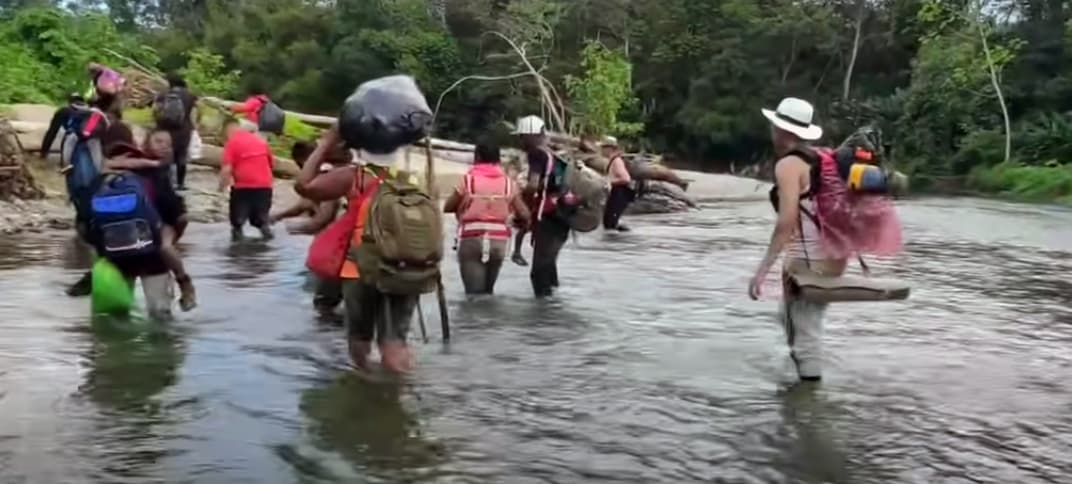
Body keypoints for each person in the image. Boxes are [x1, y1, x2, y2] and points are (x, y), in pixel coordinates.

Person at [294, 125, 420, 374]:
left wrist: (325, 143)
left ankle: (366, 387)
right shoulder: (411, 179)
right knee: (395, 342)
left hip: (362, 267)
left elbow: (304, 186)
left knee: (360, 338)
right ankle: (398, 392)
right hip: (405, 266)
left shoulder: (355, 176)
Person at [748, 97, 844, 382]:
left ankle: (808, 406)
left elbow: (786, 222)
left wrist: (762, 270)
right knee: (795, 319)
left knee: (804, 331)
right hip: (834, 260)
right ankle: (800, 391)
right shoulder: (822, 159)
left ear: (781, 129)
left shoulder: (789, 165)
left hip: (807, 262)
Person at [102, 127, 197, 311]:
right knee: (160, 317)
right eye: (159, 142)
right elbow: (177, 213)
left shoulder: (106, 178)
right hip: (151, 251)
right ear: (144, 144)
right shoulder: (157, 171)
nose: (164, 147)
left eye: (168, 144)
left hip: (120, 250)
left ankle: (183, 281)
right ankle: (184, 281)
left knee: (116, 315)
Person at [270, 140, 349, 314]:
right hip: (345, 249)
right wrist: (279, 216)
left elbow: (323, 217)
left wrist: (298, 228)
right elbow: (306, 205)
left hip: (335, 251)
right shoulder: (354, 173)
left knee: (322, 305)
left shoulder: (329, 176)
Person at [444, 141, 530, 295]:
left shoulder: (468, 180)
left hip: (472, 238)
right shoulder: (509, 183)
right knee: (487, 294)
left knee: (473, 296)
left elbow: (447, 207)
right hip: (498, 242)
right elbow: (524, 214)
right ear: (498, 160)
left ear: (477, 157)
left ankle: (474, 320)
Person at [513, 115, 570, 298]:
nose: (520, 140)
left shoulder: (536, 154)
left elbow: (534, 185)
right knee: (549, 265)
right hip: (564, 214)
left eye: (522, 136)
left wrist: (518, 194)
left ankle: (541, 317)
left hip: (547, 216)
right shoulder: (552, 153)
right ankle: (552, 311)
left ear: (530, 135)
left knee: (538, 273)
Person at [219, 118, 275, 241]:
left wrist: (221, 188)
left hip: (242, 188)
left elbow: (226, 170)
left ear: (228, 130)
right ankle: (268, 241)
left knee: (238, 222)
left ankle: (236, 248)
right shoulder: (261, 141)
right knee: (261, 220)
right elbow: (271, 164)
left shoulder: (232, 143)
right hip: (264, 187)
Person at [154, 73, 199, 190]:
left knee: (165, 155)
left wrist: (158, 124)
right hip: (184, 130)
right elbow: (194, 114)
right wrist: (194, 127)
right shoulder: (190, 95)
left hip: (165, 130)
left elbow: (155, 110)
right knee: (181, 156)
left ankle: (165, 182)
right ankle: (180, 184)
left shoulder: (163, 94)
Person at [600, 136, 635, 232]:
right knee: (609, 222)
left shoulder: (616, 161)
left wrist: (608, 182)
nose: (601, 150)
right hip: (616, 193)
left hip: (620, 193)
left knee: (610, 223)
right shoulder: (613, 160)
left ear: (610, 148)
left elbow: (626, 179)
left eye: (603, 148)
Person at [40, 93, 88, 158]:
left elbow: (52, 131)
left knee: (52, 131)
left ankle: (44, 153)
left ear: (70, 102)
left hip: (71, 132)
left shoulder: (64, 110)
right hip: (86, 136)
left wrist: (44, 151)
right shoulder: (91, 111)